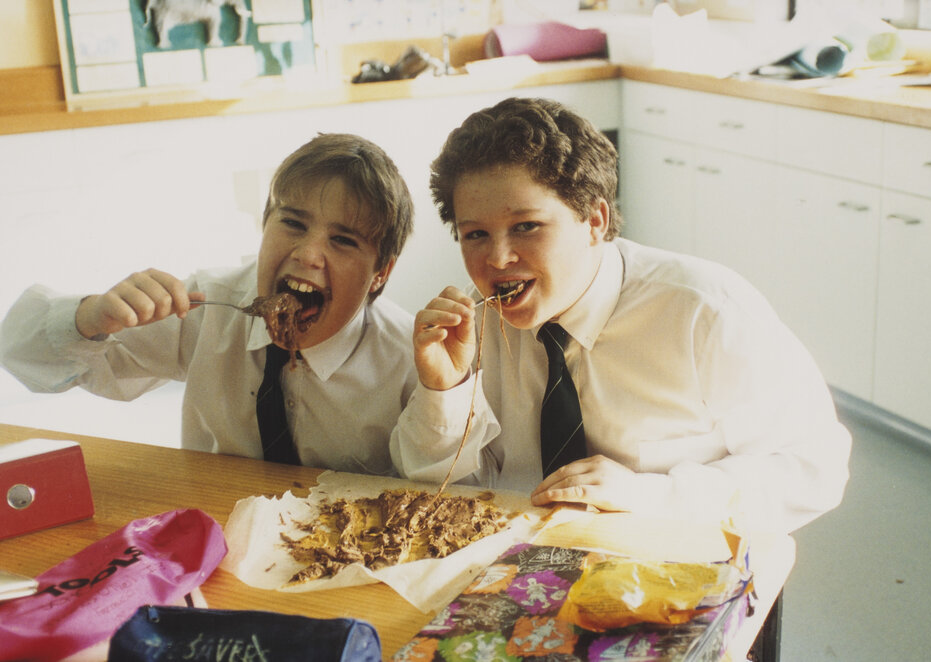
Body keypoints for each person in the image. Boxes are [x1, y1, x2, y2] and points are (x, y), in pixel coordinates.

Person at [391, 97, 851, 532]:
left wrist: (651, 495)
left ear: (595, 221)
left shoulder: (705, 311)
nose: (497, 258)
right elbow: (445, 492)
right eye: (475, 235)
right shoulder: (471, 329)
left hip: (674, 566)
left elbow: (815, 469)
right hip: (524, 567)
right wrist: (444, 390)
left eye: (526, 226)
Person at [1, 133, 417, 473]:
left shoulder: (407, 358)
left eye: (343, 240)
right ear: (265, 224)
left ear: (381, 272)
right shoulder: (208, 307)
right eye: (292, 223)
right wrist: (90, 317)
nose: (308, 254)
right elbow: (19, 352)